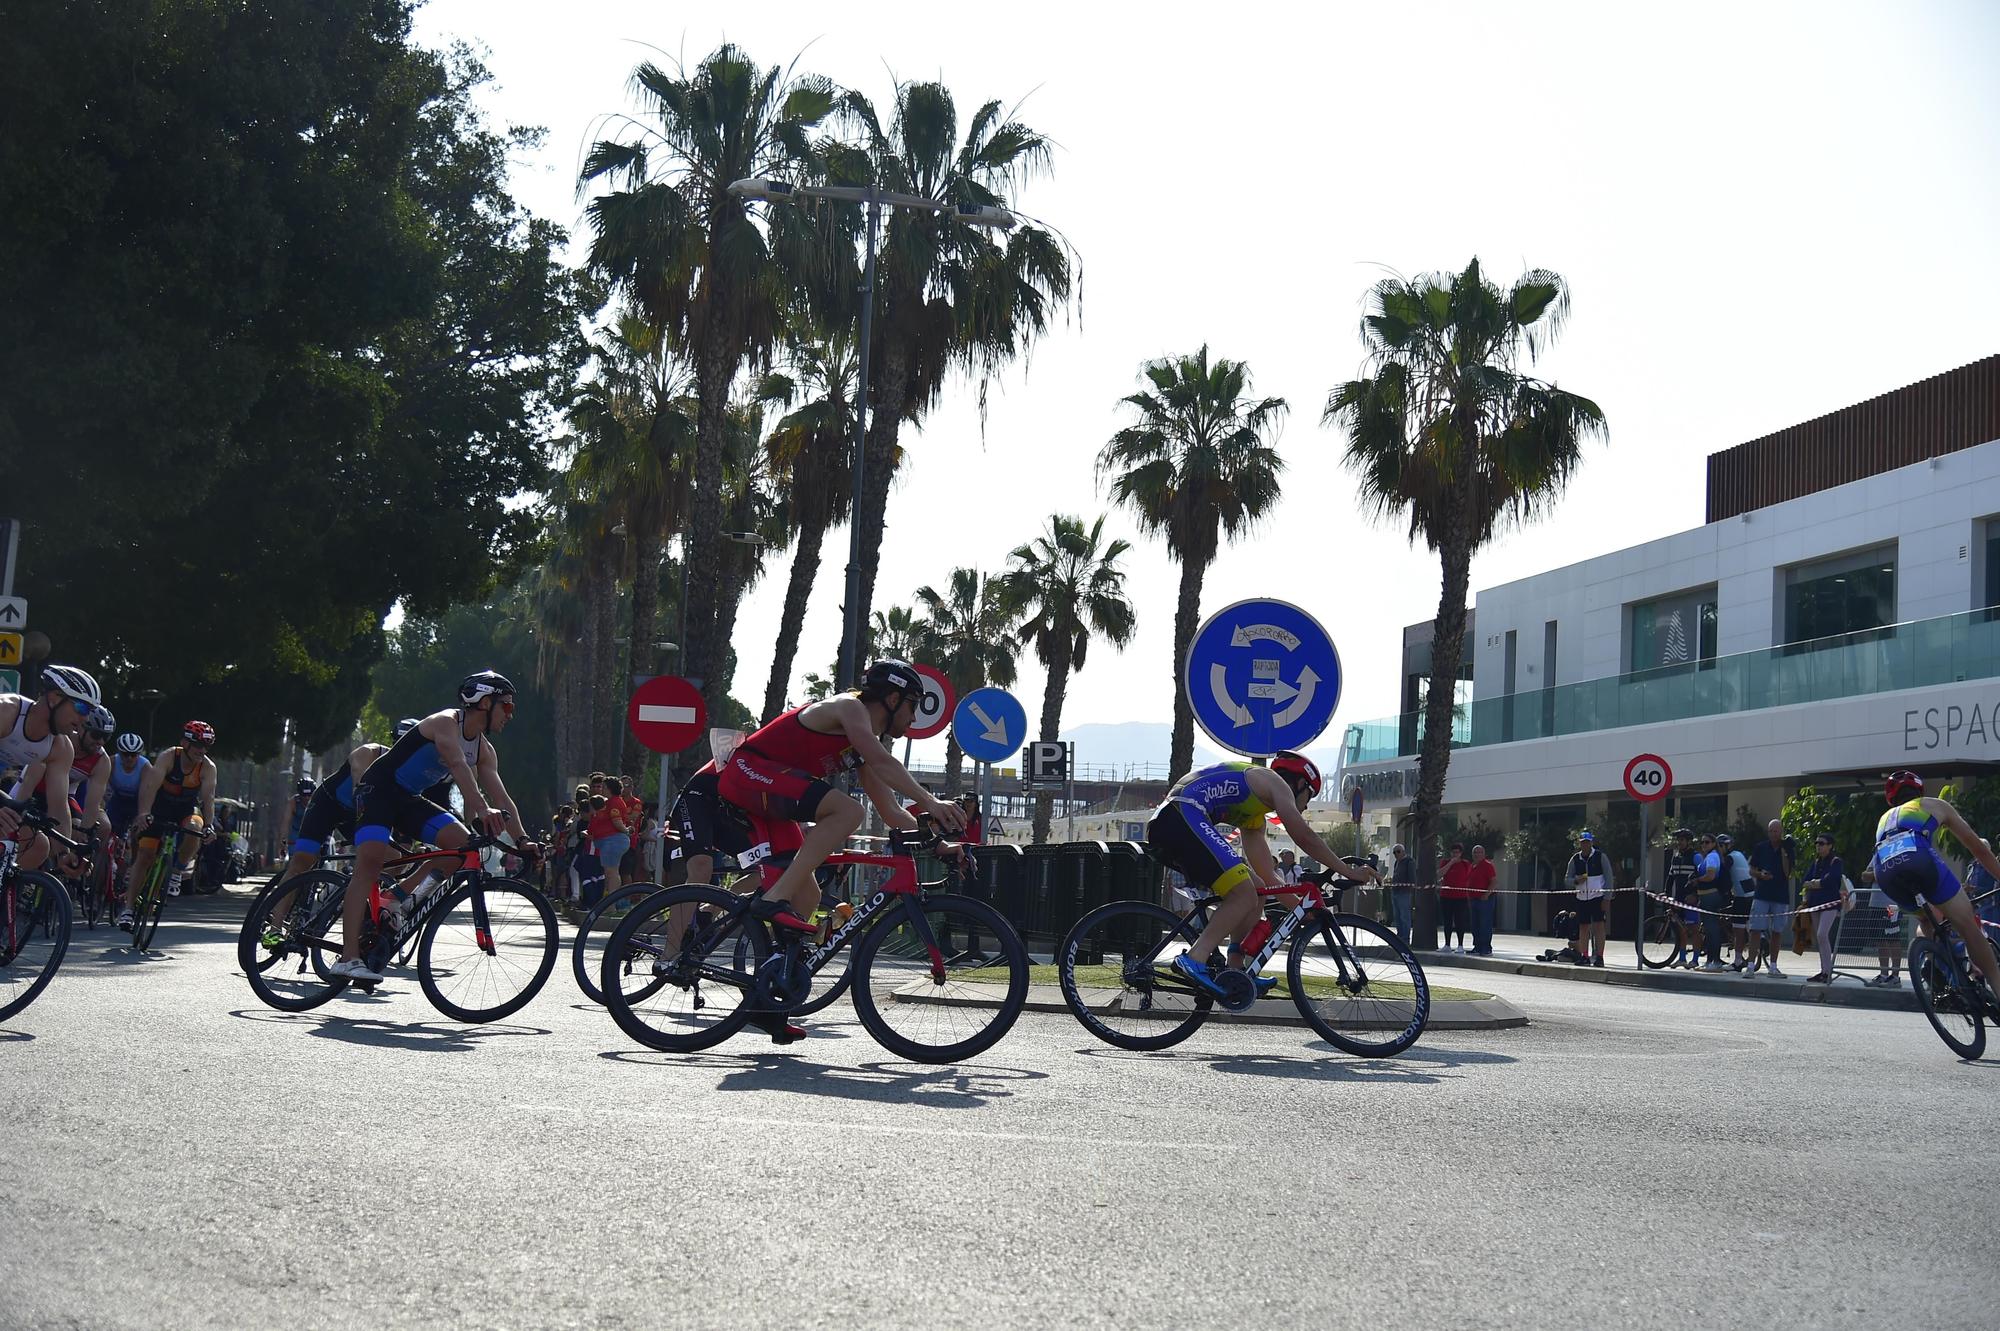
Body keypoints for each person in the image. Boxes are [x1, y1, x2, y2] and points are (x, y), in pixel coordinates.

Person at [330, 672, 531, 982]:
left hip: (408, 799)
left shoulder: (484, 749)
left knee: (462, 849)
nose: (510, 714)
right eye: (507, 706)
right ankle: (347, 958)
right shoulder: (444, 723)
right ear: (485, 702)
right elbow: (456, 765)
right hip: (377, 791)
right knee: (369, 864)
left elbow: (503, 798)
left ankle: (394, 898)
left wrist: (523, 840)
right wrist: (480, 807)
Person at [1146, 751, 1377, 997]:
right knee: (1244, 892)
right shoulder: (1273, 781)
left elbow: (1268, 877)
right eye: (1310, 794)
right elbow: (1304, 837)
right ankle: (1195, 958)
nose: (1308, 804)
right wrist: (1348, 871)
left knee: (1255, 889)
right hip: (1182, 815)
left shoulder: (1254, 815)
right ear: (1300, 783)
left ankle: (1235, 971)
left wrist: (1303, 910)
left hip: (1173, 821)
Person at [1866, 770, 2000, 1004]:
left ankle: (1938, 964)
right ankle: (1995, 986)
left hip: (1885, 872)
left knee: (1927, 920)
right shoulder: (1933, 804)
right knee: (1967, 924)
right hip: (1918, 858)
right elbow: (1978, 849)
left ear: (1891, 798)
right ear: (1920, 791)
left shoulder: (1883, 818)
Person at [0, 665, 101, 871]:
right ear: (55, 697)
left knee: (39, 846)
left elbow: (58, 805)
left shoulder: (60, 747)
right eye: (82, 708)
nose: (85, 719)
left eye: (90, 712)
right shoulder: (7, 712)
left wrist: (63, 852)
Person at [119, 720, 218, 928]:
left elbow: (208, 799)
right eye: (198, 745)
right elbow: (149, 787)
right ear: (185, 743)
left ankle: (177, 871)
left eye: (205, 747)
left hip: (185, 810)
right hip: (159, 808)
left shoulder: (208, 768)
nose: (202, 751)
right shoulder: (169, 757)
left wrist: (209, 826)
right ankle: (127, 909)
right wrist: (144, 813)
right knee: (145, 856)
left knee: (195, 828)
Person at [1745, 818, 1794, 978]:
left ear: (1781, 831)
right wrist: (1760, 874)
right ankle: (1750, 966)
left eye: (1776, 831)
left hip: (1780, 895)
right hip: (1762, 894)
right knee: (1755, 929)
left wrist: (1785, 851)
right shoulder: (1760, 848)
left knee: (1777, 931)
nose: (1773, 834)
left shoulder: (1787, 848)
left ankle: (1773, 966)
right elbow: (1751, 869)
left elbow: (1788, 873)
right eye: (1771, 831)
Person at [1801, 834, 1848, 984]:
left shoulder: (1836, 862)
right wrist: (1816, 883)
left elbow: (1831, 879)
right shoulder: (1816, 862)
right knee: (1819, 939)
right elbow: (1804, 880)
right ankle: (1823, 971)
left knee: (1822, 934)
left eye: (1822, 843)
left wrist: (1814, 883)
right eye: (1817, 843)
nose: (1818, 846)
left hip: (1830, 904)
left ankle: (1828, 971)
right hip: (1815, 904)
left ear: (1830, 846)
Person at [1566, 830, 1610, 967]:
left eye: (1587, 842)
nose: (1585, 845)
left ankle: (1600, 956)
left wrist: (1606, 898)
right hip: (1581, 898)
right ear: (1580, 844)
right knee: (1583, 927)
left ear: (1591, 842)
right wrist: (1576, 880)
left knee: (1599, 927)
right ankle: (1584, 956)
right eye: (1583, 842)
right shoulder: (1575, 859)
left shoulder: (1600, 856)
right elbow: (1567, 879)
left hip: (1597, 896)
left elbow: (1609, 878)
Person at [590, 775, 633, 900]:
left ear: (610, 789)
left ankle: (612, 902)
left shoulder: (614, 802)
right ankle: (608, 900)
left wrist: (626, 830)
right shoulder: (608, 802)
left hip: (613, 840)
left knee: (612, 872)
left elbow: (617, 822)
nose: (601, 789)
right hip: (607, 842)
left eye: (604, 787)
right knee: (609, 872)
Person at [1664, 828, 1701, 968]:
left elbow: (1701, 877)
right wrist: (1666, 894)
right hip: (1679, 898)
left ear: (1688, 842)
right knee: (1681, 928)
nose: (1679, 842)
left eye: (1682, 840)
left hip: (1691, 898)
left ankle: (1696, 959)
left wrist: (1696, 895)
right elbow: (1670, 878)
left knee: (1694, 928)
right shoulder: (1676, 857)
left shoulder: (1696, 857)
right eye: (1678, 840)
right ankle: (1682, 958)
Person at [106, 732, 151, 839]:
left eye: (134, 754)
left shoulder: (146, 767)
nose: (129, 758)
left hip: (136, 802)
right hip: (117, 800)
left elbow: (144, 794)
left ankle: (134, 854)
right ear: (119, 753)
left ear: (139, 754)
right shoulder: (111, 762)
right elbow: (103, 787)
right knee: (107, 828)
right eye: (125, 754)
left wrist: (141, 815)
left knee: (138, 832)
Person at [1718, 833, 1754, 969]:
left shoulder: (1729, 858)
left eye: (1721, 846)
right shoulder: (1738, 854)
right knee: (1744, 927)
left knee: (1738, 929)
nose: (1719, 848)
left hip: (1741, 896)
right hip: (1748, 894)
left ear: (1727, 846)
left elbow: (1722, 875)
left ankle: (1738, 961)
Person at [1437, 843, 1471, 954]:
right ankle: (1447, 944)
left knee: (1460, 921)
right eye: (1453, 852)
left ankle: (1460, 945)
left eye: (1457, 852)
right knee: (1447, 921)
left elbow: (1470, 877)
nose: (1455, 854)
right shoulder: (1445, 862)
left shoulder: (1466, 864)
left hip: (1460, 897)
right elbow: (1439, 874)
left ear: (1461, 853)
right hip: (1446, 896)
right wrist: (1451, 863)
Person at [1467, 842, 1498, 955]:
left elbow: (1494, 882)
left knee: (1485, 923)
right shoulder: (1472, 866)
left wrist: (1486, 894)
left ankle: (1486, 947)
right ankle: (1477, 946)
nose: (1477, 854)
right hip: (1473, 899)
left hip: (1485, 900)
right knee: (1475, 924)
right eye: (1475, 852)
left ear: (1484, 854)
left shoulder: (1488, 865)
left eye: (1479, 852)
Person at [1387, 842, 1416, 945]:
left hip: (1404, 893)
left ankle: (1405, 939)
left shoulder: (1409, 862)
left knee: (1405, 916)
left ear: (1403, 852)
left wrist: (1410, 888)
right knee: (1397, 916)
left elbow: (1412, 878)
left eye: (1398, 852)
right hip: (1395, 891)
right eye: (1394, 852)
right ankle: (1399, 937)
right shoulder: (1396, 863)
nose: (1396, 854)